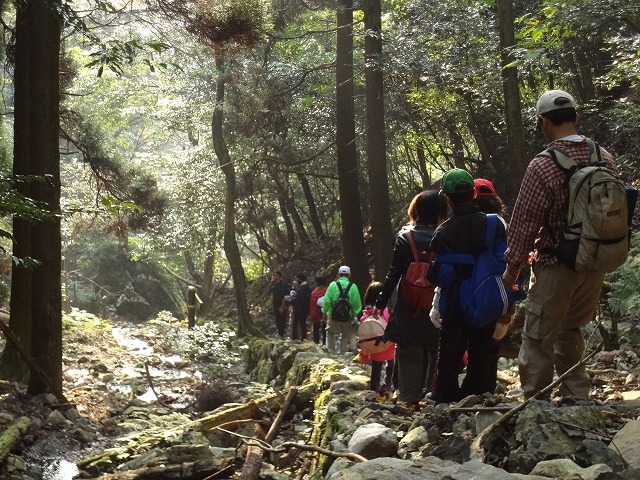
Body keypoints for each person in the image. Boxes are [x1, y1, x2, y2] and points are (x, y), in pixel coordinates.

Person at [502, 90, 619, 401]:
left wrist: (511, 271)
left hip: (556, 264)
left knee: (538, 337)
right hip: (594, 263)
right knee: (571, 331)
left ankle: (535, 405)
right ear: (576, 118)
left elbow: (525, 223)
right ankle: (577, 398)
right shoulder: (603, 157)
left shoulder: (542, 165)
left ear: (542, 123)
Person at [427, 168, 507, 404]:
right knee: (481, 344)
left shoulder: (442, 232)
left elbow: (439, 274)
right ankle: (477, 393)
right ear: (474, 194)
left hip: (455, 296)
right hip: (487, 294)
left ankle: (445, 394)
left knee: (451, 348)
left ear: (448, 198)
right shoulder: (494, 225)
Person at [373, 190, 448, 409]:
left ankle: (410, 399)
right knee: (436, 348)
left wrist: (380, 303)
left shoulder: (405, 237)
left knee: (409, 350)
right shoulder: (445, 235)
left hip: (408, 303)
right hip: (438, 300)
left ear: (416, 210)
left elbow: (393, 273)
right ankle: (434, 393)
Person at [358, 282, 396, 398]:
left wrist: (364, 353)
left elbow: (363, 331)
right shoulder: (387, 310)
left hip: (375, 346)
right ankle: (387, 388)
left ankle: (373, 391)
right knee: (390, 368)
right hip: (388, 344)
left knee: (376, 370)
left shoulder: (367, 313)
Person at [322, 266, 362, 354]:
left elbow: (327, 301)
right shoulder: (353, 286)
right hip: (347, 317)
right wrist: (353, 314)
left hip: (333, 315)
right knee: (345, 335)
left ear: (339, 274)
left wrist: (324, 312)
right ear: (349, 275)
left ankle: (331, 352)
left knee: (331, 333)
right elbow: (357, 304)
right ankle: (343, 353)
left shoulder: (333, 285)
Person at [290, 274, 311, 341]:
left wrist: (291, 300)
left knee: (296, 323)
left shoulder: (301, 289)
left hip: (299, 309)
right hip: (305, 309)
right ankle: (303, 338)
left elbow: (297, 300)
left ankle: (295, 337)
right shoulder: (307, 288)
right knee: (302, 323)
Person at [271, 271, 290, 339]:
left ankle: (282, 334)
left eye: (274, 275)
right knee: (278, 319)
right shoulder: (275, 284)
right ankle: (280, 333)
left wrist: (282, 306)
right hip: (276, 304)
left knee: (282, 320)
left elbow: (284, 297)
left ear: (278, 276)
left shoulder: (283, 284)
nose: (273, 277)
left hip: (281, 305)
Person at [310, 276, 328, 345]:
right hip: (325, 313)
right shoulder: (327, 290)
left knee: (316, 329)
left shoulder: (314, 293)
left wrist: (313, 315)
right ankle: (325, 343)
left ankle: (316, 343)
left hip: (317, 314)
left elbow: (313, 306)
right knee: (325, 329)